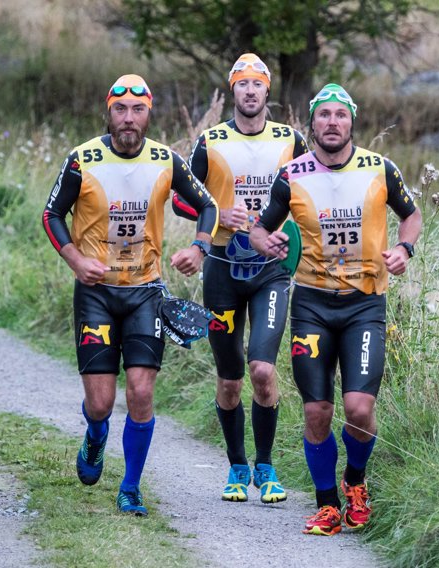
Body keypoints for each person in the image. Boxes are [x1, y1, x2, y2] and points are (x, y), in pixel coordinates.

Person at [43, 74, 219, 516]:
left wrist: (199, 248)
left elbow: (208, 205)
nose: (128, 118)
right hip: (96, 294)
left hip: (145, 294)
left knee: (140, 392)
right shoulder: (82, 159)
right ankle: (95, 434)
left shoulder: (166, 160)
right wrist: (75, 260)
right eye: (120, 109)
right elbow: (52, 214)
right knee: (100, 404)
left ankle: (131, 487)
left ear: (148, 114)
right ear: (109, 113)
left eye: (137, 110)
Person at [250, 83, 422, 535]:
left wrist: (404, 249)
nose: (332, 122)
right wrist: (266, 242)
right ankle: (327, 505)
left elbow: (411, 215)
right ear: (312, 123)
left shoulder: (380, 168)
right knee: (317, 412)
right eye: (324, 115)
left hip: (365, 304)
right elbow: (258, 230)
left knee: (359, 409)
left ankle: (355, 482)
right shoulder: (291, 175)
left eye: (340, 115)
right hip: (312, 304)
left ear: (352, 121)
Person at [172, 53, 307, 504]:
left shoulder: (290, 140)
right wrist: (216, 212)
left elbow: (314, 191)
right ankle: (236, 466)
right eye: (242, 84)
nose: (250, 91)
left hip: (272, 270)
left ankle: (266, 466)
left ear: (268, 90)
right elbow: (181, 199)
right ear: (233, 90)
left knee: (263, 371)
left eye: (257, 84)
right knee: (230, 379)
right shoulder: (210, 142)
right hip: (222, 270)